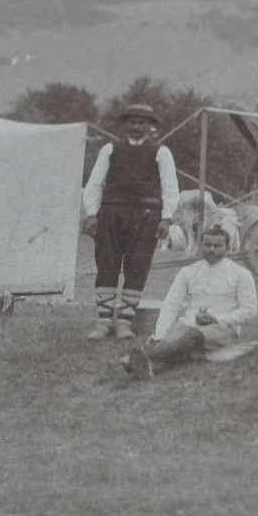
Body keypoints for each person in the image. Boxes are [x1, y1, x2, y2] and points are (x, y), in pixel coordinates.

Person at [82, 104, 179, 340]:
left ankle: (125, 321)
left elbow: (170, 188)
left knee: (137, 266)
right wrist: (92, 214)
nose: (136, 126)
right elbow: (94, 183)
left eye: (142, 122)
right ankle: (103, 321)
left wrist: (166, 218)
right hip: (112, 213)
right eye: (132, 122)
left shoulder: (161, 152)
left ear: (150, 126)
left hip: (146, 215)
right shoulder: (110, 149)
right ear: (124, 124)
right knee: (107, 264)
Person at [124, 226, 257, 378]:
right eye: (207, 245)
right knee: (175, 343)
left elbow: (250, 310)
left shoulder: (241, 274)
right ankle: (150, 366)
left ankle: (136, 360)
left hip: (223, 328)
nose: (212, 250)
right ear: (201, 246)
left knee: (190, 338)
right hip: (188, 323)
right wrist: (159, 335)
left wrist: (219, 319)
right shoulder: (188, 271)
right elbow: (171, 304)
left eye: (217, 246)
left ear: (228, 247)